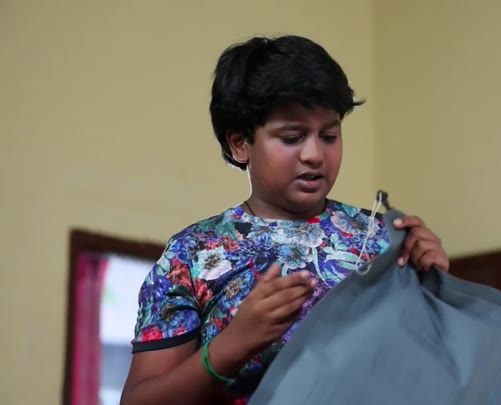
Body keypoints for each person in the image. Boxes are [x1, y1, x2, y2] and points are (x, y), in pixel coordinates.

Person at [120, 34, 450, 405]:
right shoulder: (193, 254)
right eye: (292, 137)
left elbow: (433, 370)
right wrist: (234, 345)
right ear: (240, 143)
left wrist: (436, 287)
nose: (314, 155)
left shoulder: (381, 239)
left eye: (329, 135)